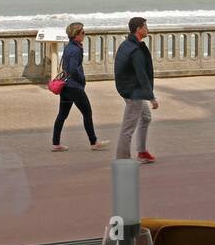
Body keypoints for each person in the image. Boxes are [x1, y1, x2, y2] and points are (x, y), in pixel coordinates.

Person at [52, 22, 109, 151]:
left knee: (62, 115)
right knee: (87, 113)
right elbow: (73, 68)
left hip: (65, 86)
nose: (84, 34)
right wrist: (82, 79)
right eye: (83, 32)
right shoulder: (76, 49)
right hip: (74, 87)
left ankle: (56, 143)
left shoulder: (69, 46)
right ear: (76, 35)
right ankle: (94, 142)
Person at [113, 16, 158, 162]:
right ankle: (123, 159)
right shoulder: (135, 50)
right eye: (145, 26)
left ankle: (142, 152)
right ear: (139, 29)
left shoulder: (126, 44)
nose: (147, 29)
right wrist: (152, 97)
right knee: (128, 127)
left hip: (129, 88)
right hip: (133, 92)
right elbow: (142, 74)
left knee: (146, 117)